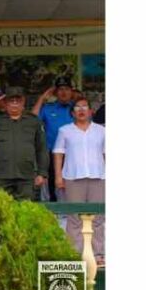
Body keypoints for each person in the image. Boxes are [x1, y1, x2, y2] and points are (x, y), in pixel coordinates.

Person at [0, 87, 48, 200]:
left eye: (18, 100)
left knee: (26, 211)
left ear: (23, 102)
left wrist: (42, 173)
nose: (15, 103)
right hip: (2, 177)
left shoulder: (33, 121)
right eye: (11, 100)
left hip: (27, 177)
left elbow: (42, 148)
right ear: (4, 103)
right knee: (4, 212)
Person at [53, 96, 105, 266]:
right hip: (72, 178)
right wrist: (58, 176)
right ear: (73, 112)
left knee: (98, 217)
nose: (81, 110)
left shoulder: (102, 130)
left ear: (91, 111)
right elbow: (58, 153)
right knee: (74, 217)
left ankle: (98, 254)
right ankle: (74, 253)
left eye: (85, 107)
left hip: (98, 177)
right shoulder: (64, 130)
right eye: (77, 107)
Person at [31, 76, 75, 201]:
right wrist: (41, 98)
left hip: (74, 153)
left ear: (71, 91)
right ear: (55, 92)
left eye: (67, 89)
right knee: (53, 185)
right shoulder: (48, 108)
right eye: (60, 89)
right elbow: (32, 120)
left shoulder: (77, 109)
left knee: (74, 183)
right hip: (52, 153)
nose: (64, 92)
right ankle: (56, 212)